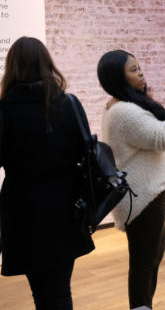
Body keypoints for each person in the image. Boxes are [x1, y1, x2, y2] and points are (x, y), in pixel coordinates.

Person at [0, 37, 94, 309]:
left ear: (12, 67)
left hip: (22, 212)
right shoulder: (69, 105)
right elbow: (83, 152)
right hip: (65, 209)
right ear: (47, 64)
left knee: (41, 291)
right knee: (59, 290)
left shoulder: (4, 111)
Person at [97, 50, 165, 310]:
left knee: (151, 256)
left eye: (139, 67)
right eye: (133, 69)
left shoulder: (122, 106)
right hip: (142, 197)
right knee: (144, 264)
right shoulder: (124, 112)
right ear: (117, 77)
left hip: (143, 195)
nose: (141, 72)